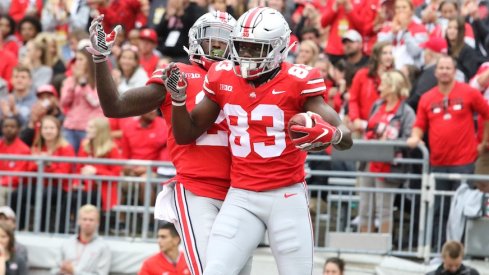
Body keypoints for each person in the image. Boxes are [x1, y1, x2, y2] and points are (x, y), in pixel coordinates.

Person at [165, 7, 352, 275]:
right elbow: (187, 133)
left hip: (286, 194)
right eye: (241, 46)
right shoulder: (222, 75)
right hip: (241, 196)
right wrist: (180, 101)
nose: (246, 56)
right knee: (215, 270)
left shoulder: (299, 81)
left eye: (256, 48)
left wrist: (333, 135)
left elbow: (346, 136)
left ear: (278, 49)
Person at [86, 11, 251, 275]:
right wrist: (100, 58)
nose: (218, 49)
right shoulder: (179, 74)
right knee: (213, 269)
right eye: (212, 41)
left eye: (225, 42)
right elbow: (115, 106)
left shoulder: (246, 79)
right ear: (196, 41)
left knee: (239, 270)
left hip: (241, 191)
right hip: (198, 188)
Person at [407, 55, 489, 250]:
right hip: (438, 162)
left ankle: (460, 250)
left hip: (464, 162)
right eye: (441, 68)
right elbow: (419, 124)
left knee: (461, 208)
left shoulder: (469, 92)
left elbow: (486, 113)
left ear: (455, 72)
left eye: (448, 68)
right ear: (435, 72)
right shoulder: (427, 98)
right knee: (439, 209)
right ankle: (438, 249)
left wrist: (484, 142)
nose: (444, 71)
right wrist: (415, 137)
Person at [359, 70, 415, 233]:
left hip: (389, 165)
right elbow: (369, 127)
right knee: (365, 206)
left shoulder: (407, 112)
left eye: (383, 84)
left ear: (392, 87)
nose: (380, 87)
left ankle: (382, 245)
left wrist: (389, 143)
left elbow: (408, 139)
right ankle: (363, 242)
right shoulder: (377, 105)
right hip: (370, 162)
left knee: (384, 209)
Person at [52, 204, 111, 275]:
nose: (87, 223)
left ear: (97, 223)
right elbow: (54, 269)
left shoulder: (103, 247)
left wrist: (74, 271)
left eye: (91, 220)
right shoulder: (67, 243)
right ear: (78, 221)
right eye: (84, 219)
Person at [0, 116, 30, 205]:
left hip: (14, 186)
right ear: (2, 129)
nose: (9, 129)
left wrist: (2, 182)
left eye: (12, 127)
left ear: (19, 129)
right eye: (6, 126)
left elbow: (18, 176)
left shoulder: (24, 149)